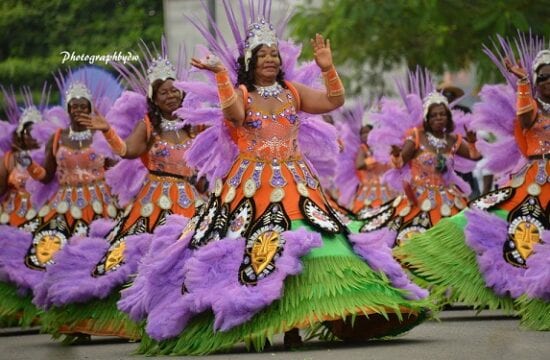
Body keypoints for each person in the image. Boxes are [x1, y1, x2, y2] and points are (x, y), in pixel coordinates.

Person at [133, 2, 428, 356]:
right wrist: (221, 77)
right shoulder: (242, 93)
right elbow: (235, 115)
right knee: (255, 251)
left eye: (274, 54)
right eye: (263, 55)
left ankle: (295, 325)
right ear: (250, 63)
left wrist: (327, 67)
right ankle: (256, 323)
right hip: (249, 187)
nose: (270, 59)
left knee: (306, 245)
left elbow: (334, 100)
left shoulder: (292, 91)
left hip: (295, 182)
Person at [32, 45, 204, 341]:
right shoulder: (148, 125)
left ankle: (184, 317)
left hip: (191, 200)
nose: (171, 96)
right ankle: (91, 315)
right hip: (155, 202)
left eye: (175, 90)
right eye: (163, 92)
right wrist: (107, 130)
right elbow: (127, 151)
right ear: (154, 98)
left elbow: (205, 162)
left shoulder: (195, 125)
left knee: (193, 255)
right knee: (128, 257)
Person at [395, 36, 549, 330]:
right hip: (423, 197)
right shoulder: (415, 138)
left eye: (444, 113)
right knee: (499, 230)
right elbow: (525, 117)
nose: (440, 117)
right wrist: (522, 85)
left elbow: (475, 154)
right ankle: (424, 278)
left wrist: (476, 142)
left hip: (449, 195)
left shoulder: (453, 140)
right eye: (542, 77)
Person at [0, 70, 120, 331]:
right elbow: (46, 176)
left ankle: (104, 318)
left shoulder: (100, 135)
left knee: (102, 256)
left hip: (102, 205)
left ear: (90, 108)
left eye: (83, 106)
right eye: (74, 106)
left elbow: (117, 168)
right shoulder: (56, 138)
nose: (78, 109)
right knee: (59, 256)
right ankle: (70, 319)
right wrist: (28, 165)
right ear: (67, 108)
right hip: (65, 207)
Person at [0, 86, 49, 326]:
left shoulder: (47, 155)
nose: (31, 136)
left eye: (36, 132)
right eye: (27, 132)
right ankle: (12, 312)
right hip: (11, 217)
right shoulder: (9, 158)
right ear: (19, 134)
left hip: (42, 214)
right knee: (10, 260)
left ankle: (38, 310)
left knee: (38, 258)